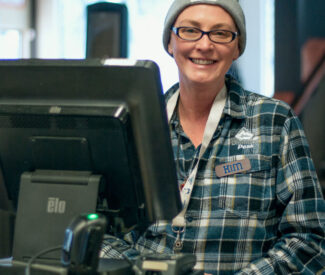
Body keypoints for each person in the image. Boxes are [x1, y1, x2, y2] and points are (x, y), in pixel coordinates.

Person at [101, 0, 325, 274]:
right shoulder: (133, 125)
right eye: (190, 30)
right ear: (170, 42)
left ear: (237, 48)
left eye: (220, 33)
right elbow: (98, 232)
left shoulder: (275, 122)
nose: (205, 45)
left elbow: (309, 241)